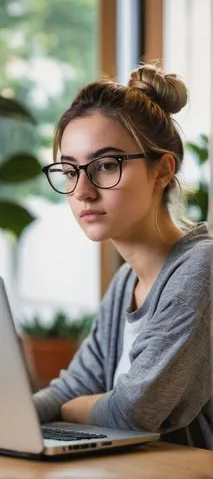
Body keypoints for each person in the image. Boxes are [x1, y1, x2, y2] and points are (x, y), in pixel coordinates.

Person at [35, 63, 213, 449]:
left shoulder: (201, 269)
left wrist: (70, 410)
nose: (82, 190)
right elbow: (74, 385)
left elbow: (134, 412)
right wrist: (16, 416)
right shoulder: (126, 283)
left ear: (163, 170)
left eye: (106, 165)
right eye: (69, 170)